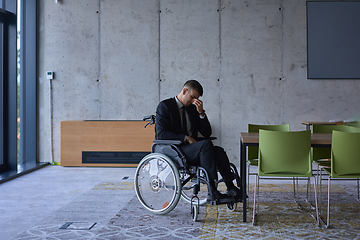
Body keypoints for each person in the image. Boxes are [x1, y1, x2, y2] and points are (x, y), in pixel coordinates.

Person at [155, 80, 242, 202]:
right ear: (184, 91)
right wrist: (185, 138)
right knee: (206, 145)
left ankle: (230, 186)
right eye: (192, 97)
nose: (193, 101)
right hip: (176, 149)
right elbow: (161, 134)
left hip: (193, 149)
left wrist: (201, 112)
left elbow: (207, 132)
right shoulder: (165, 106)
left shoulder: (192, 109)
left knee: (218, 151)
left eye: (196, 98)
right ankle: (212, 191)